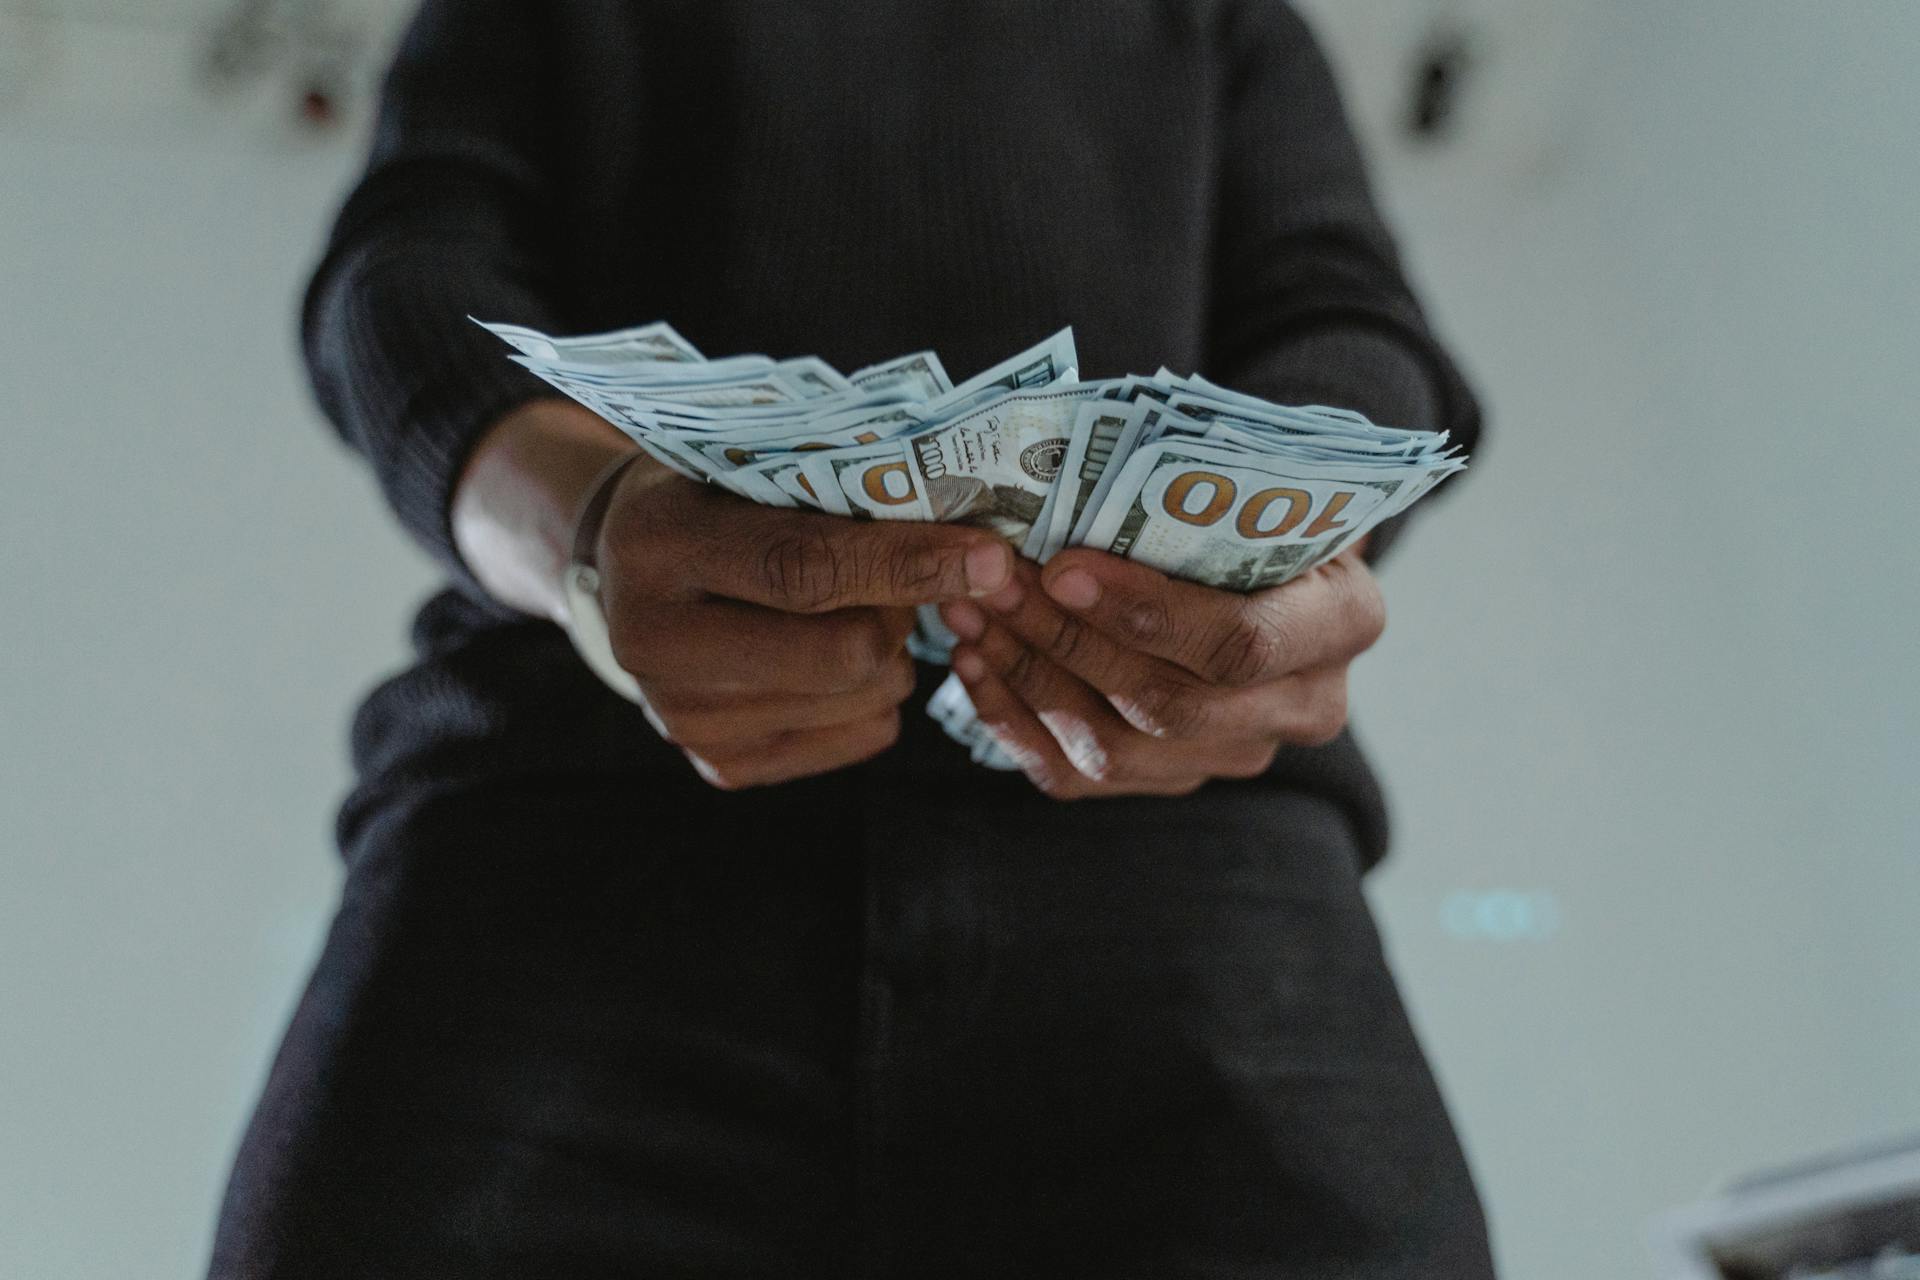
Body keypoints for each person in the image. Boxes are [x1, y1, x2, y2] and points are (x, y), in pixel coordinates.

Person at [208, 1, 1496, 1275]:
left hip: (1190, 860)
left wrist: (1276, 581)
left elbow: (1349, 323)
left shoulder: (1223, 15)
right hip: (561, 836)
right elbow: (408, 272)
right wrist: (589, 535)